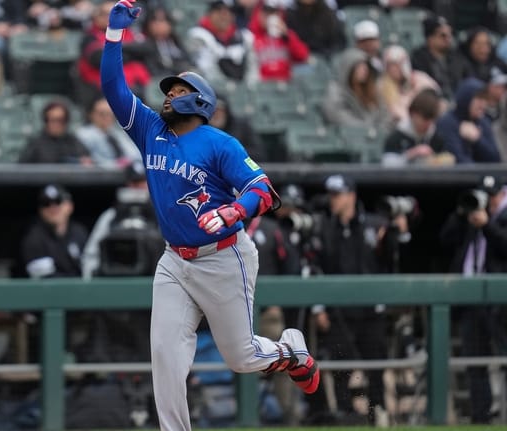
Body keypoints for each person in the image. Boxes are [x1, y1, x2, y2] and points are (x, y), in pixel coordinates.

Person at [100, 1, 320, 429]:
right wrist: (114, 36)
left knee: (242, 358)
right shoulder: (150, 130)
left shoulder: (219, 143)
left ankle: (291, 349)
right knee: (164, 355)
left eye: (179, 91)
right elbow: (113, 89)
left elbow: (263, 189)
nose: (169, 95)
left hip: (223, 256)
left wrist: (233, 210)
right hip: (174, 261)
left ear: (200, 102)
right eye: (169, 90)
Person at [306, 174, 410, 426]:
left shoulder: (374, 224)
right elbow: (314, 267)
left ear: (351, 195)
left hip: (370, 310)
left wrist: (401, 233)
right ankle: (346, 415)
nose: (334, 200)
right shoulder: (324, 227)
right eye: (331, 195)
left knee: (375, 364)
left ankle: (378, 412)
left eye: (338, 195)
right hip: (337, 310)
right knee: (342, 366)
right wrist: (319, 307)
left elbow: (393, 260)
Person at [439, 174, 507, 424]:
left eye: (492, 196)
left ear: (501, 194)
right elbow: (445, 240)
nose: (487, 201)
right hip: (471, 301)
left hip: (501, 303)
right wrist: (461, 213)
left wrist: (487, 225)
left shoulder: (501, 216)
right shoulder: (470, 217)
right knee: (475, 361)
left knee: (504, 359)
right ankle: (481, 418)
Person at [18, 184, 89, 279]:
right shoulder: (33, 238)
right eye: (46, 203)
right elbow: (46, 281)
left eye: (58, 202)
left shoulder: (80, 233)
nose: (52, 208)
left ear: (69, 206)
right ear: (40, 210)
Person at [185, 0, 258, 86]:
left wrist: (247, 89)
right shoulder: (198, 36)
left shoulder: (245, 37)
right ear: (210, 13)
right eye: (219, 11)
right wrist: (229, 89)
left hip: (242, 92)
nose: (224, 16)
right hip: (212, 90)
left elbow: (253, 70)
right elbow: (207, 72)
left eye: (229, 12)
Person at [436, 77, 501, 163]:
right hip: (457, 176)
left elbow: (495, 159)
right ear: (466, 99)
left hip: (484, 175)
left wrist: (477, 140)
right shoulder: (447, 122)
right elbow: (456, 160)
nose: (483, 104)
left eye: (485, 99)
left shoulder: (483, 122)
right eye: (479, 99)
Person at [382, 88, 454, 166]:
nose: (428, 124)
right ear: (413, 114)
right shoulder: (397, 136)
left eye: (432, 119)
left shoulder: (436, 136)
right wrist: (411, 154)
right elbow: (386, 164)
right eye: (425, 118)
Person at [410, 15, 472, 101]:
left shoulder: (457, 57)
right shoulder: (418, 59)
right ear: (430, 38)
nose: (448, 39)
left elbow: (468, 80)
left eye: (450, 35)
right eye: (443, 35)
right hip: (431, 104)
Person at [247, 0, 310, 82]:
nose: (268, 17)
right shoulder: (250, 37)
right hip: (262, 87)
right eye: (265, 13)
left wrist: (288, 36)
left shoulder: (287, 35)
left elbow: (304, 56)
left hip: (286, 85)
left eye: (273, 13)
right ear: (258, 14)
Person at [18, 99, 94, 165]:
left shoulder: (73, 142)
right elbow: (22, 171)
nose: (56, 124)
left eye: (60, 120)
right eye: (52, 120)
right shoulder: (35, 144)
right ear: (46, 121)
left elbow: (87, 160)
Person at [74, 96, 140, 167]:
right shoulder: (83, 135)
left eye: (110, 114)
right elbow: (92, 162)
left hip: (126, 173)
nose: (106, 117)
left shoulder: (118, 133)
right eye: (102, 114)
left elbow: (135, 155)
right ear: (91, 114)